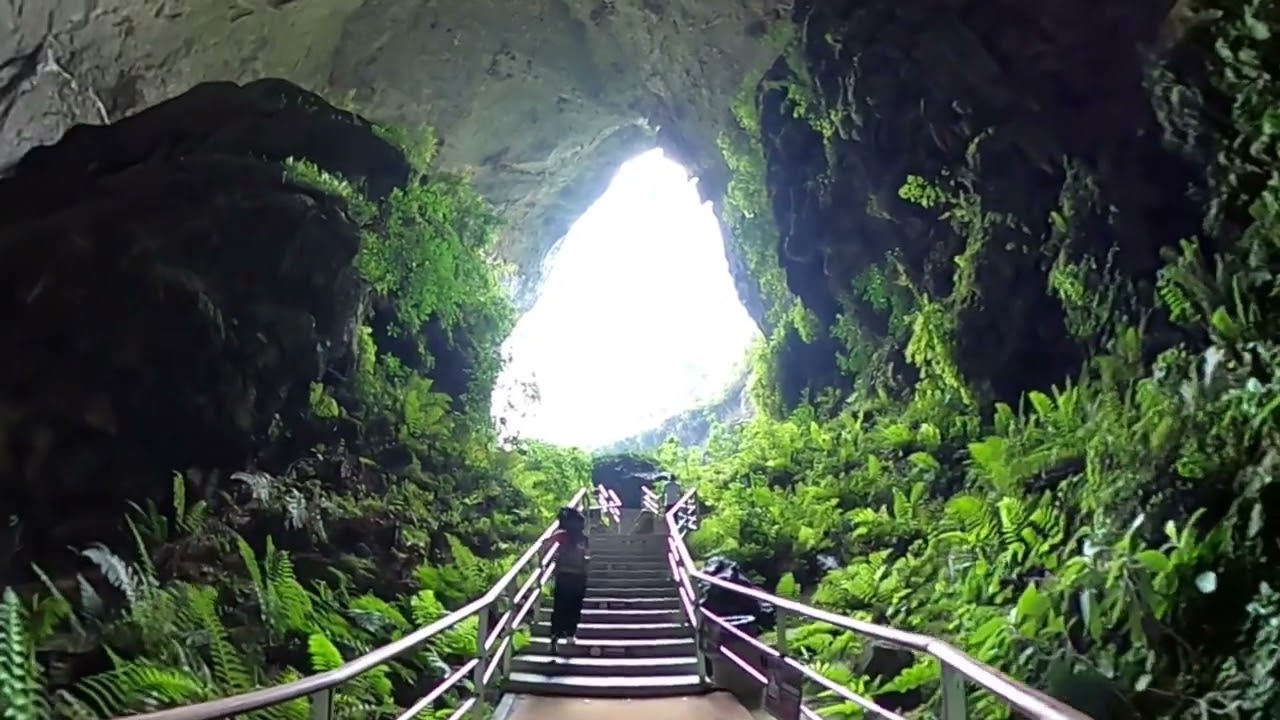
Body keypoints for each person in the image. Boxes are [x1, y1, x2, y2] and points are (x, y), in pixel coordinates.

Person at [543, 506, 589, 653]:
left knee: (560, 607)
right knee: (574, 606)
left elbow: (545, 544)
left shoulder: (562, 535)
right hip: (577, 576)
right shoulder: (583, 538)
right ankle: (569, 633)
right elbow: (588, 556)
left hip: (564, 574)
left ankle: (555, 636)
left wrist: (549, 559)